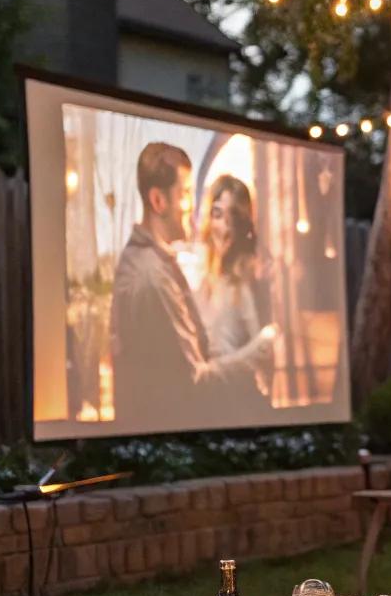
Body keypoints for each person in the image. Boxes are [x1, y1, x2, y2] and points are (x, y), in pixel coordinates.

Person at [110, 142, 273, 432]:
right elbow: (190, 381)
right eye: (185, 194)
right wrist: (259, 349)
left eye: (235, 216)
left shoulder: (251, 279)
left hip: (236, 413)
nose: (191, 206)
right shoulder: (157, 275)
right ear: (159, 202)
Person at [196, 175, 271, 358]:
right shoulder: (203, 281)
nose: (225, 225)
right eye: (218, 214)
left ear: (245, 224)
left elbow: (264, 351)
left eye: (234, 215)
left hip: (237, 384)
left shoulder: (251, 280)